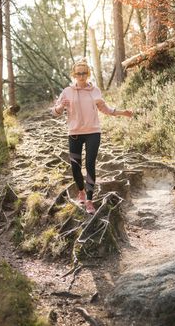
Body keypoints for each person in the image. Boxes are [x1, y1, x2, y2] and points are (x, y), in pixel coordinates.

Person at [51, 58, 133, 214]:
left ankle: (89, 200)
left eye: (84, 73)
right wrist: (61, 106)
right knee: (75, 167)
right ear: (73, 75)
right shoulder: (67, 91)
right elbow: (54, 112)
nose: (81, 76)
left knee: (90, 165)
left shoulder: (95, 91)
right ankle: (80, 191)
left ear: (88, 74)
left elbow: (106, 109)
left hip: (93, 133)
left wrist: (123, 112)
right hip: (75, 134)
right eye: (78, 73)